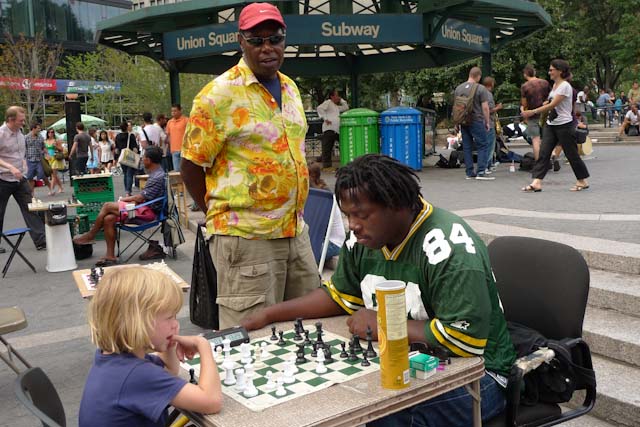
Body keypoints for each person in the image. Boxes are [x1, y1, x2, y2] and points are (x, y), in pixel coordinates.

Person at [240, 154, 516, 427]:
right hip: (412, 361)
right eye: (348, 215)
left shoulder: (449, 251)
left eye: (362, 215)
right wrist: (269, 315)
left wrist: (384, 322)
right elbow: (339, 296)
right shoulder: (363, 240)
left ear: (398, 205)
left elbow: (463, 340)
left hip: (480, 376)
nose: (353, 226)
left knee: (372, 415)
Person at [181, 2, 319, 329]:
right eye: (256, 41)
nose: (267, 47)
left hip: (295, 232)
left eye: (275, 38)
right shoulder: (217, 95)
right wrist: (218, 215)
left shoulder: (290, 87)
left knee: (310, 328)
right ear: (240, 42)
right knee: (252, 344)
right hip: (246, 240)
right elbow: (190, 166)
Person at [79, 267, 222, 427]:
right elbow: (211, 401)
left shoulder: (114, 360)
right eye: (169, 317)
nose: (176, 324)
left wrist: (170, 343)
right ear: (137, 322)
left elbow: (169, 371)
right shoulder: (136, 374)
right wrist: (203, 346)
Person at [73, 146, 166, 266]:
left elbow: (140, 198)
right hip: (143, 208)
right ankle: (110, 256)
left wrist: (123, 199)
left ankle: (91, 235)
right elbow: (142, 197)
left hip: (147, 214)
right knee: (108, 218)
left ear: (149, 160)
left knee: (107, 206)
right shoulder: (157, 173)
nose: (142, 160)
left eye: (143, 158)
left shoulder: (157, 177)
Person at [521, 59, 590, 193]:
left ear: (560, 71)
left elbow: (554, 105)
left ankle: (582, 180)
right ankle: (536, 182)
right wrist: (547, 101)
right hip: (551, 124)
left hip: (564, 125)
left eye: (552, 69)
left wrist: (533, 111)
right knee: (544, 153)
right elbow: (551, 102)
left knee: (572, 154)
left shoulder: (565, 86)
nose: (549, 72)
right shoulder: (554, 85)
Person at [0, 106, 46, 252]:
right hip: (2, 179)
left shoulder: (20, 134)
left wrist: (23, 168)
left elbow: (21, 155)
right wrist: (10, 168)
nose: (23, 122)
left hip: (20, 179)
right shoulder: (1, 134)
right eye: (21, 120)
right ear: (11, 120)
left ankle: (41, 240)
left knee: (31, 208)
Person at [454, 66, 493, 180]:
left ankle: (469, 172)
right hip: (476, 120)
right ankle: (481, 171)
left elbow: (456, 107)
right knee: (482, 145)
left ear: (469, 74)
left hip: (463, 121)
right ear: (479, 76)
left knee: (467, 147)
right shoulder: (481, 89)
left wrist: (456, 123)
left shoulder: (459, 88)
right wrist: (487, 122)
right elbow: (485, 108)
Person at [308, 162, 346, 260]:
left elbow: (317, 226)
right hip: (323, 240)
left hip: (333, 243)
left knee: (304, 256)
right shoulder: (319, 193)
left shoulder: (322, 196)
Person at [520, 64, 551, 160]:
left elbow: (524, 104)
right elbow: (550, 98)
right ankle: (551, 157)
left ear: (525, 74)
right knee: (548, 138)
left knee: (535, 139)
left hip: (532, 115)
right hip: (545, 113)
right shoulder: (545, 83)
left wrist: (522, 109)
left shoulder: (525, 86)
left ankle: (539, 162)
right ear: (535, 72)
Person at [316, 89, 349, 170]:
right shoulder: (328, 102)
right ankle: (327, 166)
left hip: (336, 130)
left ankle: (346, 161)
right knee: (327, 147)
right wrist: (325, 118)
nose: (338, 97)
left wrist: (341, 100)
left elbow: (346, 108)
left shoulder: (336, 107)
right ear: (332, 96)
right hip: (329, 129)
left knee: (343, 145)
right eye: (337, 95)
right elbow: (319, 108)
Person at [24, 122, 54, 196]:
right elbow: (24, 148)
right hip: (30, 159)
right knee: (30, 177)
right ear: (33, 129)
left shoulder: (40, 137)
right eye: (38, 128)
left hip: (39, 159)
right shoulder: (26, 137)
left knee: (43, 175)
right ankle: (32, 193)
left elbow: (43, 147)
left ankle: (51, 189)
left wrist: (47, 154)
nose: (39, 130)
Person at [114, 121, 139, 196]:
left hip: (122, 156)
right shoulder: (131, 136)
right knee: (129, 173)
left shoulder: (117, 136)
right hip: (129, 156)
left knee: (125, 173)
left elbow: (116, 149)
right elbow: (135, 148)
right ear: (127, 127)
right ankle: (128, 191)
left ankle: (126, 190)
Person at [483, 76, 502, 173]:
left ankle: (488, 165)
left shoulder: (480, 93)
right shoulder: (488, 94)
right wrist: (498, 108)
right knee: (490, 145)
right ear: (491, 84)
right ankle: (486, 166)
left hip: (481, 122)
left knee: (485, 145)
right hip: (488, 122)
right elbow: (488, 110)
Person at [166, 104, 188, 173]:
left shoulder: (186, 120)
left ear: (180, 111)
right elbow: (168, 135)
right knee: (177, 171)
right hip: (174, 150)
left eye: (175, 111)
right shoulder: (169, 122)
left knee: (184, 171)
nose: (173, 113)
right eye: (172, 111)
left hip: (184, 150)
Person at [44, 128, 65, 194]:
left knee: (53, 174)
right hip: (48, 158)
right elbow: (44, 150)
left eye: (52, 132)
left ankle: (51, 189)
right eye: (49, 132)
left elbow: (61, 149)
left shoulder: (56, 141)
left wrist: (56, 146)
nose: (51, 134)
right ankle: (61, 187)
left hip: (55, 157)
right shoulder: (45, 141)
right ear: (47, 133)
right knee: (54, 174)